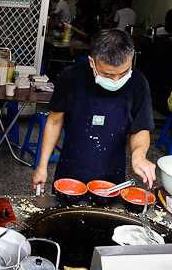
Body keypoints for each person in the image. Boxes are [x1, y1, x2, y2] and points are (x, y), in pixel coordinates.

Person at [32, 29, 156, 191]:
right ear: (92, 62)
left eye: (123, 72)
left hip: (112, 177)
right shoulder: (71, 77)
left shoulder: (138, 82)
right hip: (70, 173)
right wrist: (42, 166)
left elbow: (140, 128)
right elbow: (54, 122)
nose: (116, 80)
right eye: (107, 74)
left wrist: (139, 156)